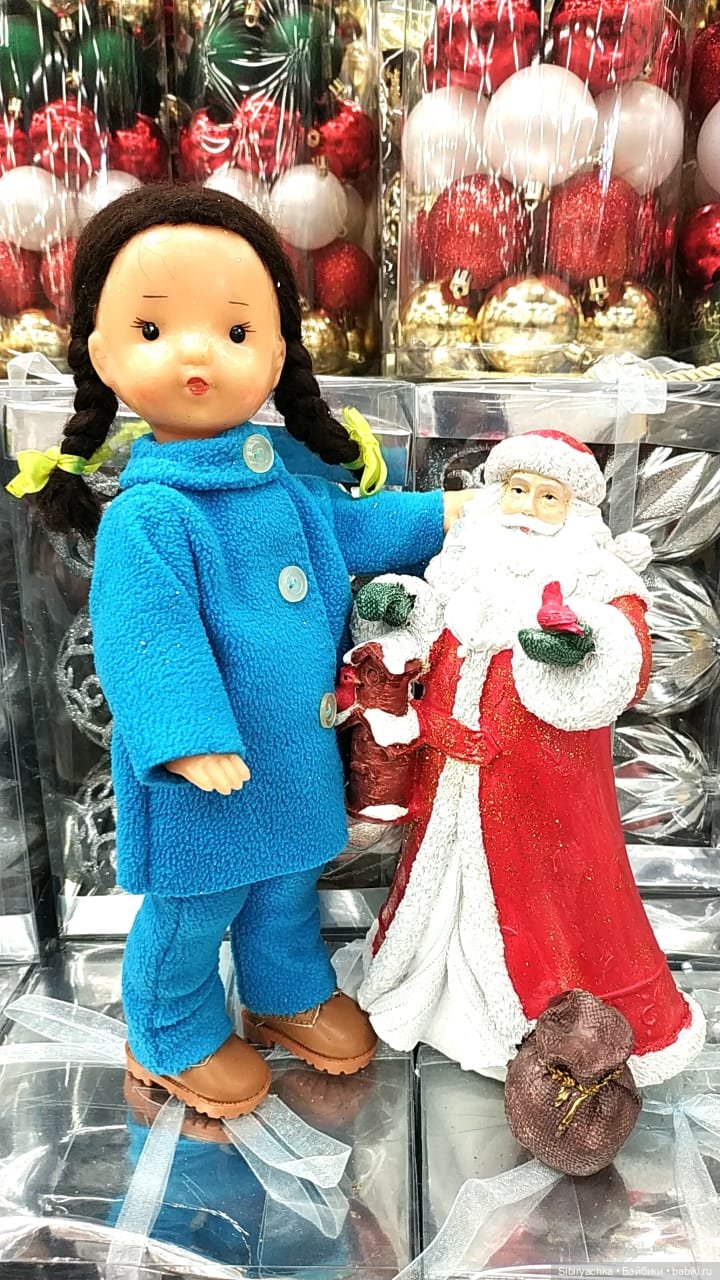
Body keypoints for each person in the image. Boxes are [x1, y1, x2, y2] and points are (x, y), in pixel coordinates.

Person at [8, 183, 471, 1118]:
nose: (196, 355)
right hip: (204, 776)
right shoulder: (151, 515)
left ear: (276, 354)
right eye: (153, 330)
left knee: (287, 888)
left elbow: (356, 527)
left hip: (291, 757)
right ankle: (168, 1026)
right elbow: (146, 636)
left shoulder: (286, 491)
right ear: (101, 354)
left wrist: (443, 515)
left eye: (234, 331)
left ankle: (283, 990)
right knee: (195, 907)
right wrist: (185, 737)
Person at [340, 430, 705, 1087]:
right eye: (516, 490)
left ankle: (539, 1024)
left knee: (544, 910)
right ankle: (439, 1003)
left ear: (576, 510)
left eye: (547, 496)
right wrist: (394, 611)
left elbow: (627, 662)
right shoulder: (468, 564)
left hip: (542, 793)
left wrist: (582, 648)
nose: (527, 509)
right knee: (443, 889)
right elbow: (429, 633)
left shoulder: (599, 581)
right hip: (452, 780)